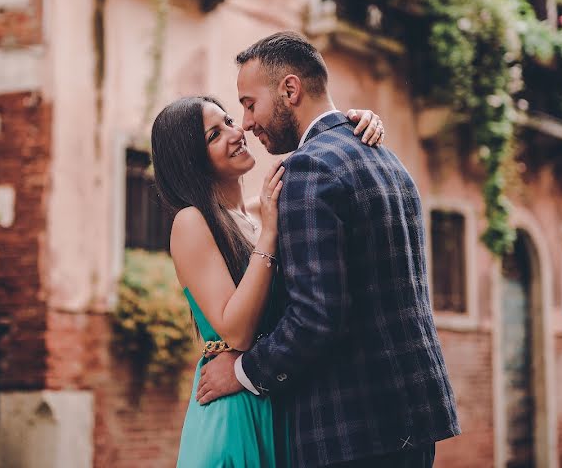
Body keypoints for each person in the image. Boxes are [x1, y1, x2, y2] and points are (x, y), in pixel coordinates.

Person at [195, 31, 460, 467]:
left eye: (248, 103)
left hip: (349, 430)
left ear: (290, 89)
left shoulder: (310, 167)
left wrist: (241, 373)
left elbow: (316, 316)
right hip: (413, 419)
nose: (245, 122)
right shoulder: (387, 159)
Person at [151, 93, 386, 467]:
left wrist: (359, 123)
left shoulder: (266, 209)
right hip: (234, 410)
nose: (235, 132)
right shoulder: (192, 222)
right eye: (213, 136)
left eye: (227, 121)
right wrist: (270, 234)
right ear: (190, 161)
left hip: (278, 399)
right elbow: (237, 332)